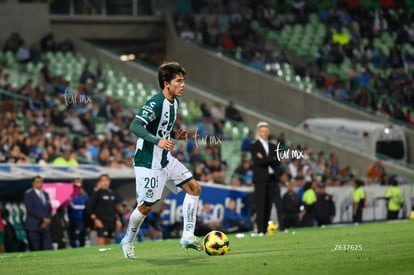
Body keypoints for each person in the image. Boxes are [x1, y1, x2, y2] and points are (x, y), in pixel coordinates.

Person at [120, 62, 202, 259]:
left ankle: (188, 236)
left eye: (183, 81)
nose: (183, 85)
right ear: (166, 83)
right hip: (148, 161)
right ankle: (127, 241)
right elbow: (136, 125)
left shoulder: (175, 102)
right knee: (148, 205)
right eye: (178, 81)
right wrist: (158, 141)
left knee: (194, 188)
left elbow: (163, 129)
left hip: (165, 158)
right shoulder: (156, 102)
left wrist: (175, 135)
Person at [249, 121, 281, 235]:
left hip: (272, 178)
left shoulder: (273, 146)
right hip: (260, 179)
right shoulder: (254, 146)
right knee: (260, 205)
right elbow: (258, 161)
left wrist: (266, 158)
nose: (265, 133)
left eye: (266, 131)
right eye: (262, 131)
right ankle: (260, 230)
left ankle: (265, 229)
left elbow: (278, 161)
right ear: (258, 132)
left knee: (269, 204)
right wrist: (271, 158)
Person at [87, 174, 122, 246]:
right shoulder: (96, 194)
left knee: (109, 243)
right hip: (101, 223)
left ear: (109, 181)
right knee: (101, 244)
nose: (105, 182)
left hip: (111, 222)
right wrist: (96, 220)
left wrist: (118, 220)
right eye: (103, 180)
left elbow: (115, 208)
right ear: (100, 182)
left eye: (107, 180)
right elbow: (89, 208)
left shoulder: (113, 193)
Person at [23, 175, 53, 251]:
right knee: (35, 248)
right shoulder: (29, 194)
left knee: (47, 248)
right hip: (33, 226)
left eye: (41, 182)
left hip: (45, 226)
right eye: (37, 182)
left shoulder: (45, 194)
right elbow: (31, 209)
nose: (40, 184)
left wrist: (47, 219)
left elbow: (49, 208)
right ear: (33, 183)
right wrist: (43, 218)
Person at [68, 177, 89, 247]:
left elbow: (88, 205)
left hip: (83, 220)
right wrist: (84, 207)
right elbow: (72, 206)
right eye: (77, 182)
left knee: (82, 239)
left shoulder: (84, 194)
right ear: (72, 183)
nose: (78, 183)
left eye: (79, 182)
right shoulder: (70, 193)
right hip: (73, 220)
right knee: (74, 239)